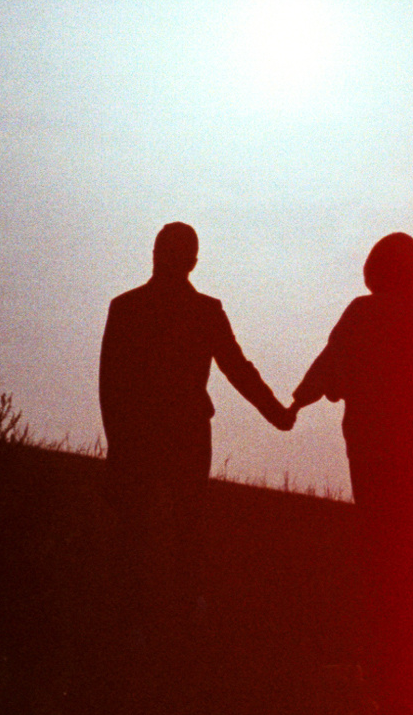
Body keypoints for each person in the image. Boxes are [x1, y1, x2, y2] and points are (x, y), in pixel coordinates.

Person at [99, 221, 295, 541]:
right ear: (193, 262)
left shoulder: (127, 307)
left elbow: (110, 386)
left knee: (138, 536)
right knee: (182, 535)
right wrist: (277, 413)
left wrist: (118, 446)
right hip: (182, 436)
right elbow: (238, 369)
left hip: (145, 435)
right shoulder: (204, 311)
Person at [289, 232, 413, 515]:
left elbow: (328, 365)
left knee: (372, 521)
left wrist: (296, 404)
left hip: (369, 439)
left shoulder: (362, 311)